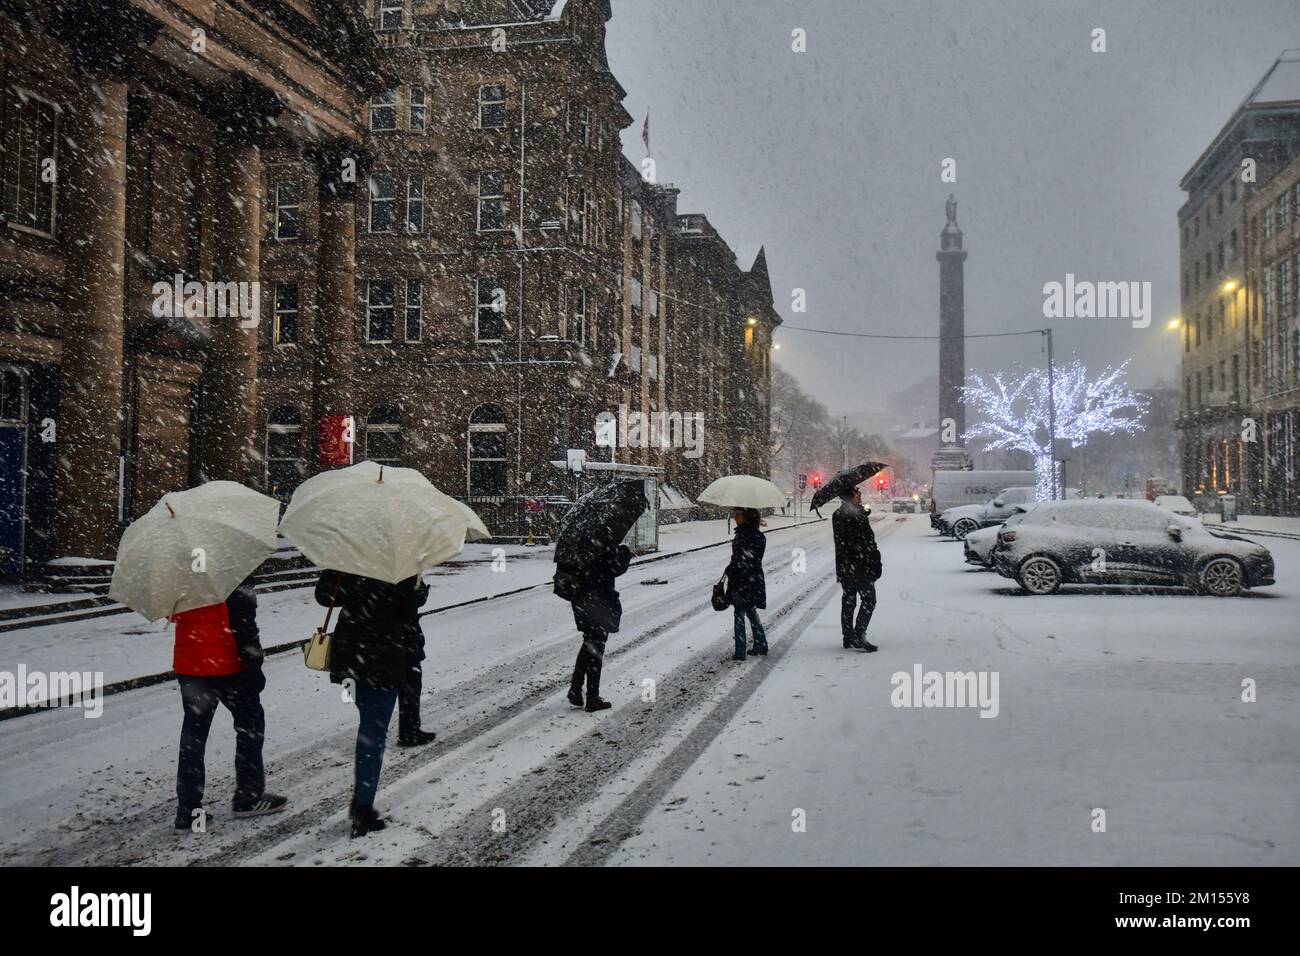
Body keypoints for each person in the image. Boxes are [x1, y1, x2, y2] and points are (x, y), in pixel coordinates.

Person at [316, 570, 428, 838]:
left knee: (369, 724)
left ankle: (362, 802)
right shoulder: (399, 563)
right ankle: (362, 807)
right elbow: (408, 608)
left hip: (350, 656)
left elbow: (324, 597)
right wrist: (419, 590)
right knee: (372, 732)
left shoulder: (346, 557)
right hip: (382, 657)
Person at [171, 575, 287, 830]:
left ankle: (188, 808)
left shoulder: (180, 574)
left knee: (193, 735)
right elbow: (244, 626)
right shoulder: (232, 570)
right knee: (250, 724)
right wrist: (254, 666)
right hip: (227, 664)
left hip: (191, 665)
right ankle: (248, 797)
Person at [559, 544, 632, 712]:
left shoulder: (576, 546)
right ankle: (592, 698)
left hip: (581, 602)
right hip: (598, 603)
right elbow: (613, 569)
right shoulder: (601, 545)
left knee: (590, 644)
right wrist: (624, 553)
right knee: (596, 647)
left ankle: (576, 689)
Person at [832, 486, 882, 651]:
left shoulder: (841, 514)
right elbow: (862, 541)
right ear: (851, 496)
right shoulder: (852, 515)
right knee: (869, 599)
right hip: (858, 565)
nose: (860, 495)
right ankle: (859, 634)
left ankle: (848, 637)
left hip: (847, 565)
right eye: (857, 493)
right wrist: (872, 559)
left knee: (849, 600)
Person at [396, 576, 436, 748]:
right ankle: (409, 731)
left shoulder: (357, 565)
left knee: (373, 694)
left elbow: (324, 596)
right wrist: (422, 591)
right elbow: (413, 601)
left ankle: (372, 734)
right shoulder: (405, 566)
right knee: (410, 686)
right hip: (403, 639)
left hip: (368, 641)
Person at [725, 507, 768, 660]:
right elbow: (755, 558)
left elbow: (738, 560)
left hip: (741, 580)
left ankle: (740, 650)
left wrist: (731, 569)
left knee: (739, 614)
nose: (735, 517)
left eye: (737, 514)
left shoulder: (742, 536)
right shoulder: (759, 536)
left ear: (745, 516)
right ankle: (761, 644)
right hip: (753, 579)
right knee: (750, 611)